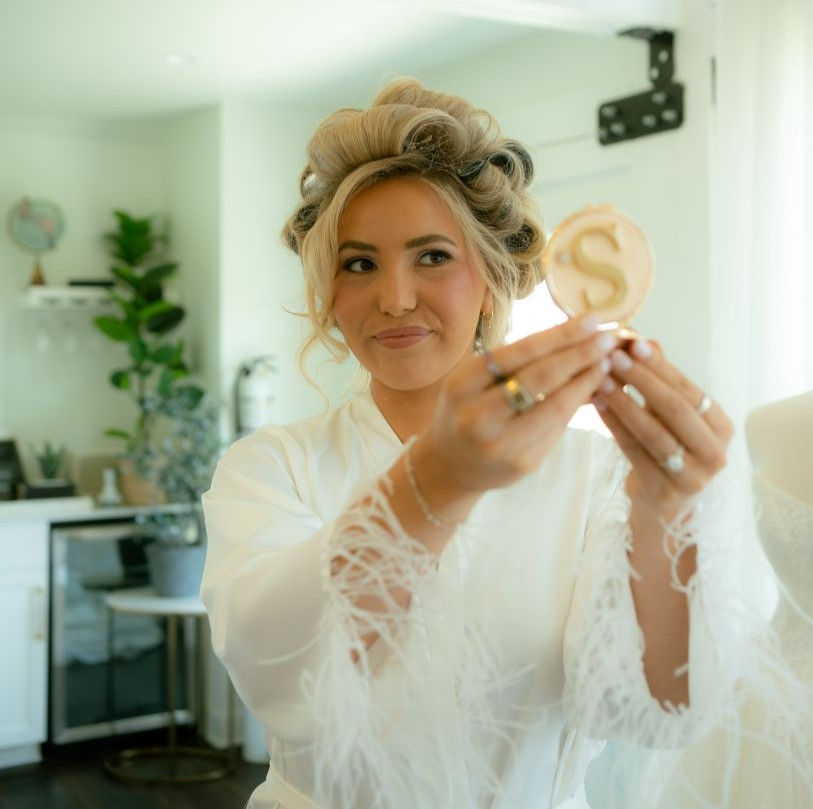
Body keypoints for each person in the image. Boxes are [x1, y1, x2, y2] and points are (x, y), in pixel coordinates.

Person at [200, 78, 796, 809]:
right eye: (358, 263)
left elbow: (654, 709)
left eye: (431, 257)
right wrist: (437, 479)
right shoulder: (269, 468)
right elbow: (280, 671)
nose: (393, 297)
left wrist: (667, 507)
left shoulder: (596, 475)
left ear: (491, 280)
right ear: (329, 290)